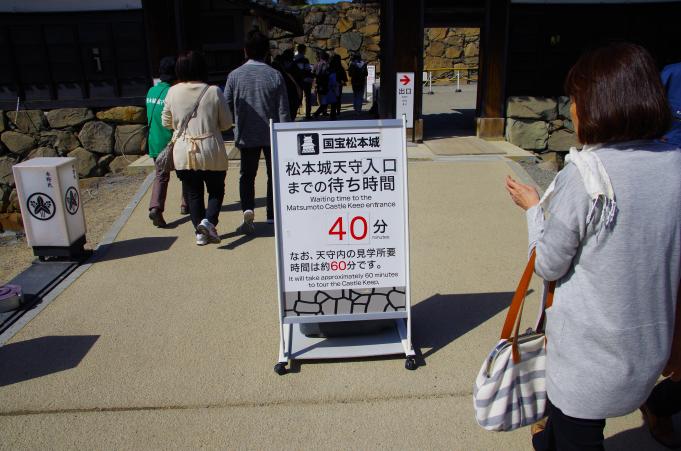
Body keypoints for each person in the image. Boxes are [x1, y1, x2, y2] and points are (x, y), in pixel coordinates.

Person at [504, 42, 681, 450]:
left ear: (600, 105)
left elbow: (548, 264)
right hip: (648, 351)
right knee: (562, 433)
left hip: (586, 363)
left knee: (578, 435)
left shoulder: (585, 176)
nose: (571, 110)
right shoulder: (674, 163)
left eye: (576, 99)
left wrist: (533, 210)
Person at [162, 50, 232, 246]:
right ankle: (208, 222)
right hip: (210, 148)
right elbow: (227, 123)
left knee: (193, 193)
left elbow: (166, 121)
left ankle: (200, 233)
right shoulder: (213, 91)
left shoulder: (172, 91)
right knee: (216, 190)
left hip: (184, 150)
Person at [225, 29, 290, 234]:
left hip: (246, 134)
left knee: (247, 175)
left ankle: (248, 209)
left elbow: (226, 106)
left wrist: (232, 124)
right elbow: (283, 110)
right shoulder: (275, 75)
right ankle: (271, 214)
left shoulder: (234, 76)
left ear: (245, 50)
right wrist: (286, 136)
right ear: (266, 51)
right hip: (272, 134)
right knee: (273, 175)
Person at [146, 56, 188, 227]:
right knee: (186, 173)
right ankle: (185, 204)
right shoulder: (174, 93)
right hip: (173, 142)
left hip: (155, 142)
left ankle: (156, 207)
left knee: (161, 176)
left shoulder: (151, 91)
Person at [272, 50, 302, 121]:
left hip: (284, 95)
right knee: (291, 114)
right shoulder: (294, 67)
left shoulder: (276, 67)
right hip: (292, 95)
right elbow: (299, 82)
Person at [294, 44, 314, 120]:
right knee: (307, 97)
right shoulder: (305, 60)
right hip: (305, 80)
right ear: (304, 50)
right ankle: (307, 114)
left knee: (298, 97)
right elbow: (307, 69)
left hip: (297, 81)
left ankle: (295, 113)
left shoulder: (294, 59)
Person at [312, 51, 331, 119]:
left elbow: (313, 73)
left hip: (318, 84)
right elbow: (328, 75)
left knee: (322, 100)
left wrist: (315, 83)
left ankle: (324, 112)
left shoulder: (316, 64)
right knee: (325, 101)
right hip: (325, 84)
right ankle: (317, 113)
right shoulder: (327, 65)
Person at [330, 53, 347, 118]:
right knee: (338, 98)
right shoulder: (340, 67)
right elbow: (344, 78)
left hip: (332, 84)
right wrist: (342, 81)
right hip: (339, 84)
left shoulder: (331, 67)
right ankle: (338, 111)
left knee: (332, 98)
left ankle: (333, 111)